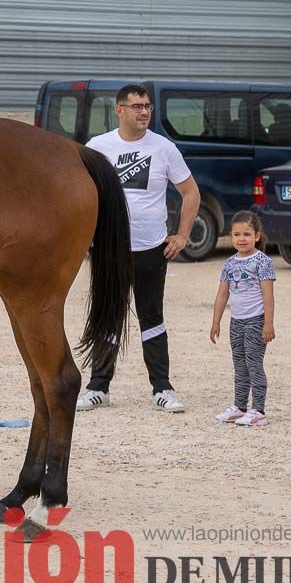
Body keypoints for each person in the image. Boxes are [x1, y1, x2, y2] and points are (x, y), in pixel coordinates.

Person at [76, 84, 201, 414]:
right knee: (107, 317)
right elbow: (80, 195)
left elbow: (191, 193)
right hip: (110, 250)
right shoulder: (97, 148)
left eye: (147, 106)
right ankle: (97, 387)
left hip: (151, 249)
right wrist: (86, 236)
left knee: (152, 318)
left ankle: (162, 389)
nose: (144, 112)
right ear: (119, 110)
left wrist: (182, 236)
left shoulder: (164, 148)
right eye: (136, 107)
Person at [209, 211, 276, 427]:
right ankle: (239, 407)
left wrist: (268, 323)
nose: (242, 238)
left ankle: (258, 410)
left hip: (255, 321)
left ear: (257, 236)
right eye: (237, 234)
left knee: (254, 363)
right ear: (231, 236)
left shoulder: (262, 262)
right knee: (239, 364)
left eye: (247, 234)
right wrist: (216, 321)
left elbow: (268, 295)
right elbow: (222, 294)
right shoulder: (229, 263)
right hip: (236, 322)